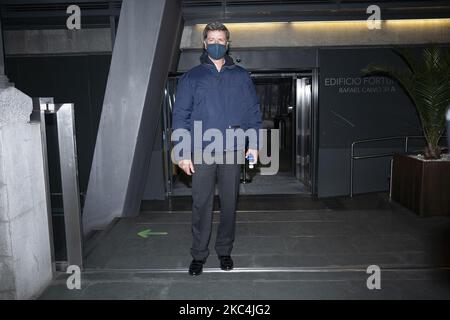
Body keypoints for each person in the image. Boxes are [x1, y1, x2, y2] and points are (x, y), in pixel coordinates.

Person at [171, 22, 262, 276]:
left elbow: (252, 113)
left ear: (228, 43)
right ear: (204, 43)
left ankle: (225, 251)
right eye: (212, 39)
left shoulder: (241, 76)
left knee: (230, 203)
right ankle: (199, 255)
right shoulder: (192, 77)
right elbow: (181, 116)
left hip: (233, 149)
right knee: (201, 204)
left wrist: (253, 144)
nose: (217, 44)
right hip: (201, 150)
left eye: (221, 40)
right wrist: (181, 151)